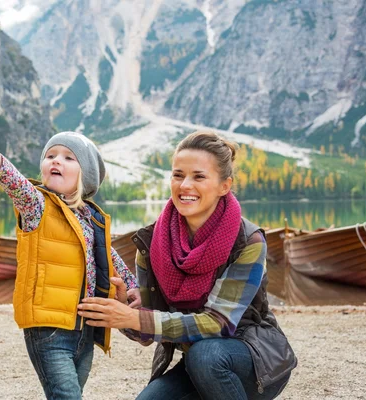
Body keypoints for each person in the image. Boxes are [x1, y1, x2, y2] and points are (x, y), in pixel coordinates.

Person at [77, 131, 297, 399]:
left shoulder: (248, 241)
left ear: (224, 186)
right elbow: (147, 332)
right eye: (178, 175)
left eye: (199, 176)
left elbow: (218, 324)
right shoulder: (151, 242)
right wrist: (124, 309)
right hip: (196, 363)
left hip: (253, 361)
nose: (185, 186)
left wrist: (137, 317)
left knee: (207, 356)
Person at [0, 131, 138, 400]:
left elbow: (112, 259)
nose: (55, 161)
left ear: (86, 176)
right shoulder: (37, 205)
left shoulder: (92, 219)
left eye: (68, 157)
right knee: (67, 395)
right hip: (48, 328)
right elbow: (19, 188)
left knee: (70, 394)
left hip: (85, 328)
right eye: (50, 156)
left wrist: (134, 289)